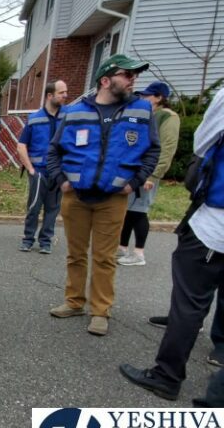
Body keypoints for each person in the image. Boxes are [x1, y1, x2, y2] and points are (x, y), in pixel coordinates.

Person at [120, 87, 224, 401]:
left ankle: (166, 376)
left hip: (215, 225)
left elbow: (203, 143)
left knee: (189, 302)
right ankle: (219, 346)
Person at [47, 54, 160, 336]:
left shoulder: (141, 111)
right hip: (76, 196)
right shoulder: (75, 112)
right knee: (75, 254)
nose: (133, 80)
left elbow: (152, 150)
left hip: (113, 198)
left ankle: (100, 311)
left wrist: (134, 182)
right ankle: (74, 302)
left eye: (135, 75)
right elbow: (54, 151)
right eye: (127, 74)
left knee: (104, 257)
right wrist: (61, 180)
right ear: (106, 80)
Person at [118, 81, 180, 266]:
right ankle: (121, 248)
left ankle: (139, 254)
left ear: (159, 97)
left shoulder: (168, 117)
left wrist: (153, 175)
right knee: (128, 211)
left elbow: (167, 148)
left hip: (148, 172)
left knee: (139, 211)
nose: (143, 98)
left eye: (147, 95)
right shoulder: (147, 114)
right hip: (135, 171)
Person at [17, 80, 68, 254]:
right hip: (39, 171)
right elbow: (21, 146)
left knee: (52, 209)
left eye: (65, 92)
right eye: (61, 92)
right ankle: (28, 239)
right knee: (34, 207)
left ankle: (45, 241)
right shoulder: (34, 119)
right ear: (49, 95)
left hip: (58, 172)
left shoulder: (68, 117)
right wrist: (31, 170)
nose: (65, 95)